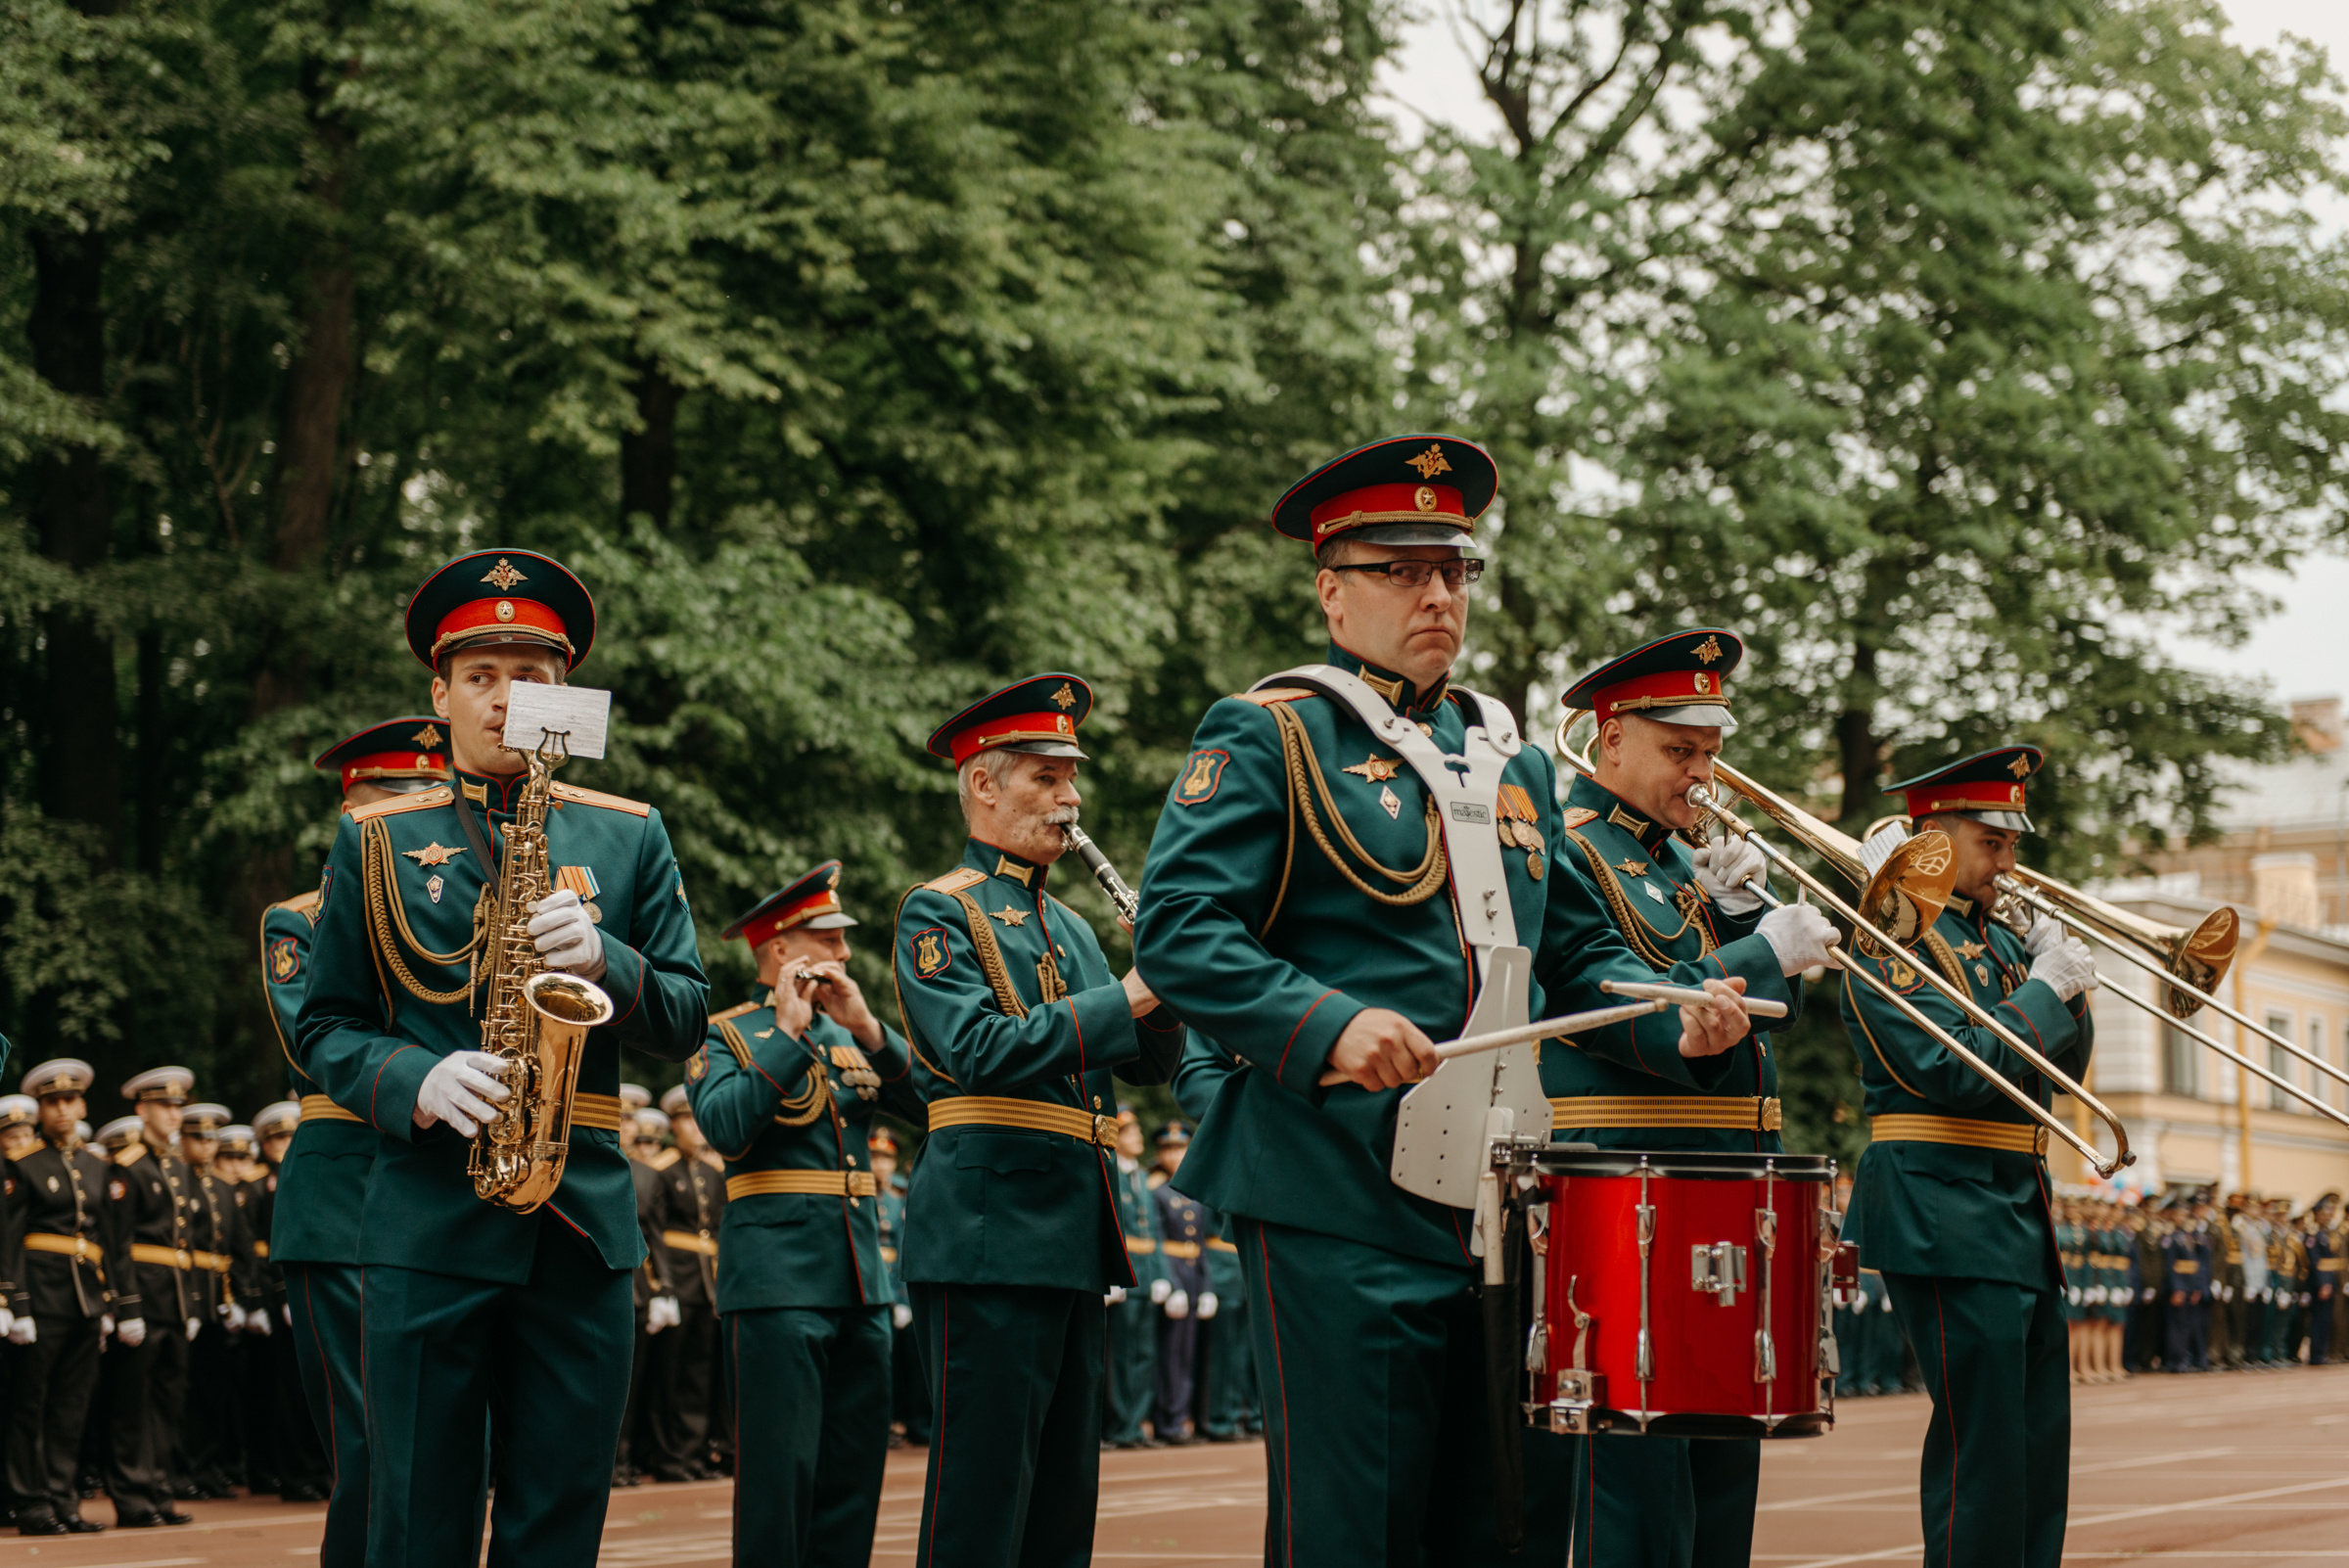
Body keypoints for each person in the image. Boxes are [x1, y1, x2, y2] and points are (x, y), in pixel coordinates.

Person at [1133, 436, 1753, 1567]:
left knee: (1509, 1524)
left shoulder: (1511, 758)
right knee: (1357, 1531)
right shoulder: (1273, 732)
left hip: (1505, 1199)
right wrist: (1327, 1024)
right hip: (1338, 1190)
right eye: (1403, 571)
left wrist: (1679, 1018)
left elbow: (1571, 951)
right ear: (1332, 591)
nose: (1438, 596)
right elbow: (1178, 931)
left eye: (1455, 571)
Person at [296, 547, 710, 1566]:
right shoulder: (376, 839)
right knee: (415, 1525)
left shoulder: (631, 834)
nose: (505, 698)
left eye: (531, 677)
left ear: (563, 693)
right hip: (427, 1220)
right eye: (480, 676)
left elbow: (689, 1017)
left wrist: (608, 960)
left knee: (559, 1523)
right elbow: (325, 1025)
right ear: (439, 695)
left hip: (581, 1225)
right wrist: (415, 1080)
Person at [1537, 629, 1833, 1568]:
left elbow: (1765, 1017)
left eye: (1710, 751)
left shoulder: (1679, 866)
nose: (1703, 775)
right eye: (1680, 751)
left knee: (1720, 1485)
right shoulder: (1568, 851)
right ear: (1610, 737)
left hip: (1726, 1188)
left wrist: (1741, 920)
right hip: (1628, 1190)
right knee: (1638, 1495)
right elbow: (1610, 1001)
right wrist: (1758, 950)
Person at [894, 675, 1186, 1568]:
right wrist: (1129, 997)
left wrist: (1170, 984)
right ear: (985, 784)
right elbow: (976, 1049)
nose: (1072, 798)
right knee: (981, 1501)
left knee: (1063, 1505)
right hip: (988, 1232)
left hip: (1070, 1232)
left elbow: (1148, 1069)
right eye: (1046, 778)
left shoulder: (1074, 926)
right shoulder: (939, 909)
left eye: (1071, 778)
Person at [1838, 747, 2098, 1568]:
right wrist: (2042, 991)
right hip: (1943, 1206)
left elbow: (2064, 1074)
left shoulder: (2002, 939)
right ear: (1936, 838)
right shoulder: (1891, 937)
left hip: (2017, 1205)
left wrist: (2067, 984)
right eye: (1992, 843)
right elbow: (1952, 1072)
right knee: (1982, 1453)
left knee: (2037, 1449)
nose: (2009, 864)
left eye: (2012, 843)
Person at [692, 858, 926, 1567]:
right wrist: (788, 1035)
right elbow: (726, 1128)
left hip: (861, 1283)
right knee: (779, 1476)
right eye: (829, 940)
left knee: (853, 1476)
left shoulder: (851, 1035)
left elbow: (933, 1112)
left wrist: (871, 1030)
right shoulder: (725, 1035)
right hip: (778, 1283)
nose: (845, 954)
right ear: (780, 950)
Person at [263, 715, 451, 1563]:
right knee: (372, 1447)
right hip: (343, 1198)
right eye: (404, 799)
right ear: (356, 811)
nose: (426, 817)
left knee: (448, 1446)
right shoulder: (300, 918)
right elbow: (318, 1042)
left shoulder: (461, 911)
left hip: (440, 1194)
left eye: (434, 796)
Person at [2, 1060, 131, 1535]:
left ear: (82, 1106)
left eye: (69, 1100)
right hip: (41, 1297)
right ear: (40, 1109)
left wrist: (112, 1303)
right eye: (52, 1101)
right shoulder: (22, 1164)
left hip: (85, 1298)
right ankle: (31, 1503)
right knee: (30, 1405)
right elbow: (8, 1238)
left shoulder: (96, 1166)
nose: (62, 1109)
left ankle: (63, 1499)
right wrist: (13, 1301)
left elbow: (107, 1241)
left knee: (71, 1406)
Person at [106, 1067, 204, 1530]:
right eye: (165, 1106)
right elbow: (118, 1243)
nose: (174, 1114)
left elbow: (185, 1244)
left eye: (178, 1106)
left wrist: (192, 1305)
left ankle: (160, 1491)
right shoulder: (128, 1166)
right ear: (142, 1110)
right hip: (144, 1300)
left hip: (175, 1301)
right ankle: (133, 1496)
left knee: (167, 1403)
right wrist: (127, 1306)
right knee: (134, 1404)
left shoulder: (178, 1166)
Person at [643, 1084, 724, 1481]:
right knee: (668, 1375)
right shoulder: (661, 1169)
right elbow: (655, 1231)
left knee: (699, 1373)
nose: (696, 1129)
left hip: (708, 1283)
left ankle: (691, 1454)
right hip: (677, 1278)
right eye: (688, 1121)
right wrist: (664, 1286)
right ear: (674, 1125)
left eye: (699, 1121)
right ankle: (666, 1456)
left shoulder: (712, 1172)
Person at [251, 1101, 331, 1502]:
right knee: (289, 1391)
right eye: (278, 1138)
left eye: (290, 1135)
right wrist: (280, 1294)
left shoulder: (305, 1172)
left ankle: (317, 1469)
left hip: (315, 1288)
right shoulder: (264, 1185)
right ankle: (295, 1474)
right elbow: (263, 1247)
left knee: (316, 1387)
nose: (285, 1143)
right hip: (282, 1296)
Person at [176, 1102, 250, 1499]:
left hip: (217, 1297)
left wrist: (241, 1298)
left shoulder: (221, 1188)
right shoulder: (179, 1182)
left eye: (210, 1139)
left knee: (213, 1389)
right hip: (188, 1292)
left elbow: (236, 1248)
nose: (205, 1146)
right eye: (197, 1138)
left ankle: (207, 1466)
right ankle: (182, 1469)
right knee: (184, 1390)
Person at [1101, 1109, 1163, 1451]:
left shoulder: (1142, 1177)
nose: (1137, 1137)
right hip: (1125, 1276)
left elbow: (1154, 1231)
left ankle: (1136, 1424)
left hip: (1146, 1275)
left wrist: (1162, 1276)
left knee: (1144, 1355)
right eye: (1130, 1132)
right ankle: (1119, 1425)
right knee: (1120, 1357)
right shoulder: (1110, 1173)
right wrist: (1112, 1275)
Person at [1149, 1124, 1205, 1447]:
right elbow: (1158, 1241)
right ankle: (1166, 1420)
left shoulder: (1193, 1191)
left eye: (1180, 1149)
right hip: (1173, 1276)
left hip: (1193, 1276)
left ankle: (1180, 1417)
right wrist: (1171, 1282)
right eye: (1168, 1150)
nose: (1174, 1155)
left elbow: (1200, 1246)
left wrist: (1207, 1286)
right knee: (1169, 1353)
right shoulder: (1157, 1192)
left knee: (1187, 1353)